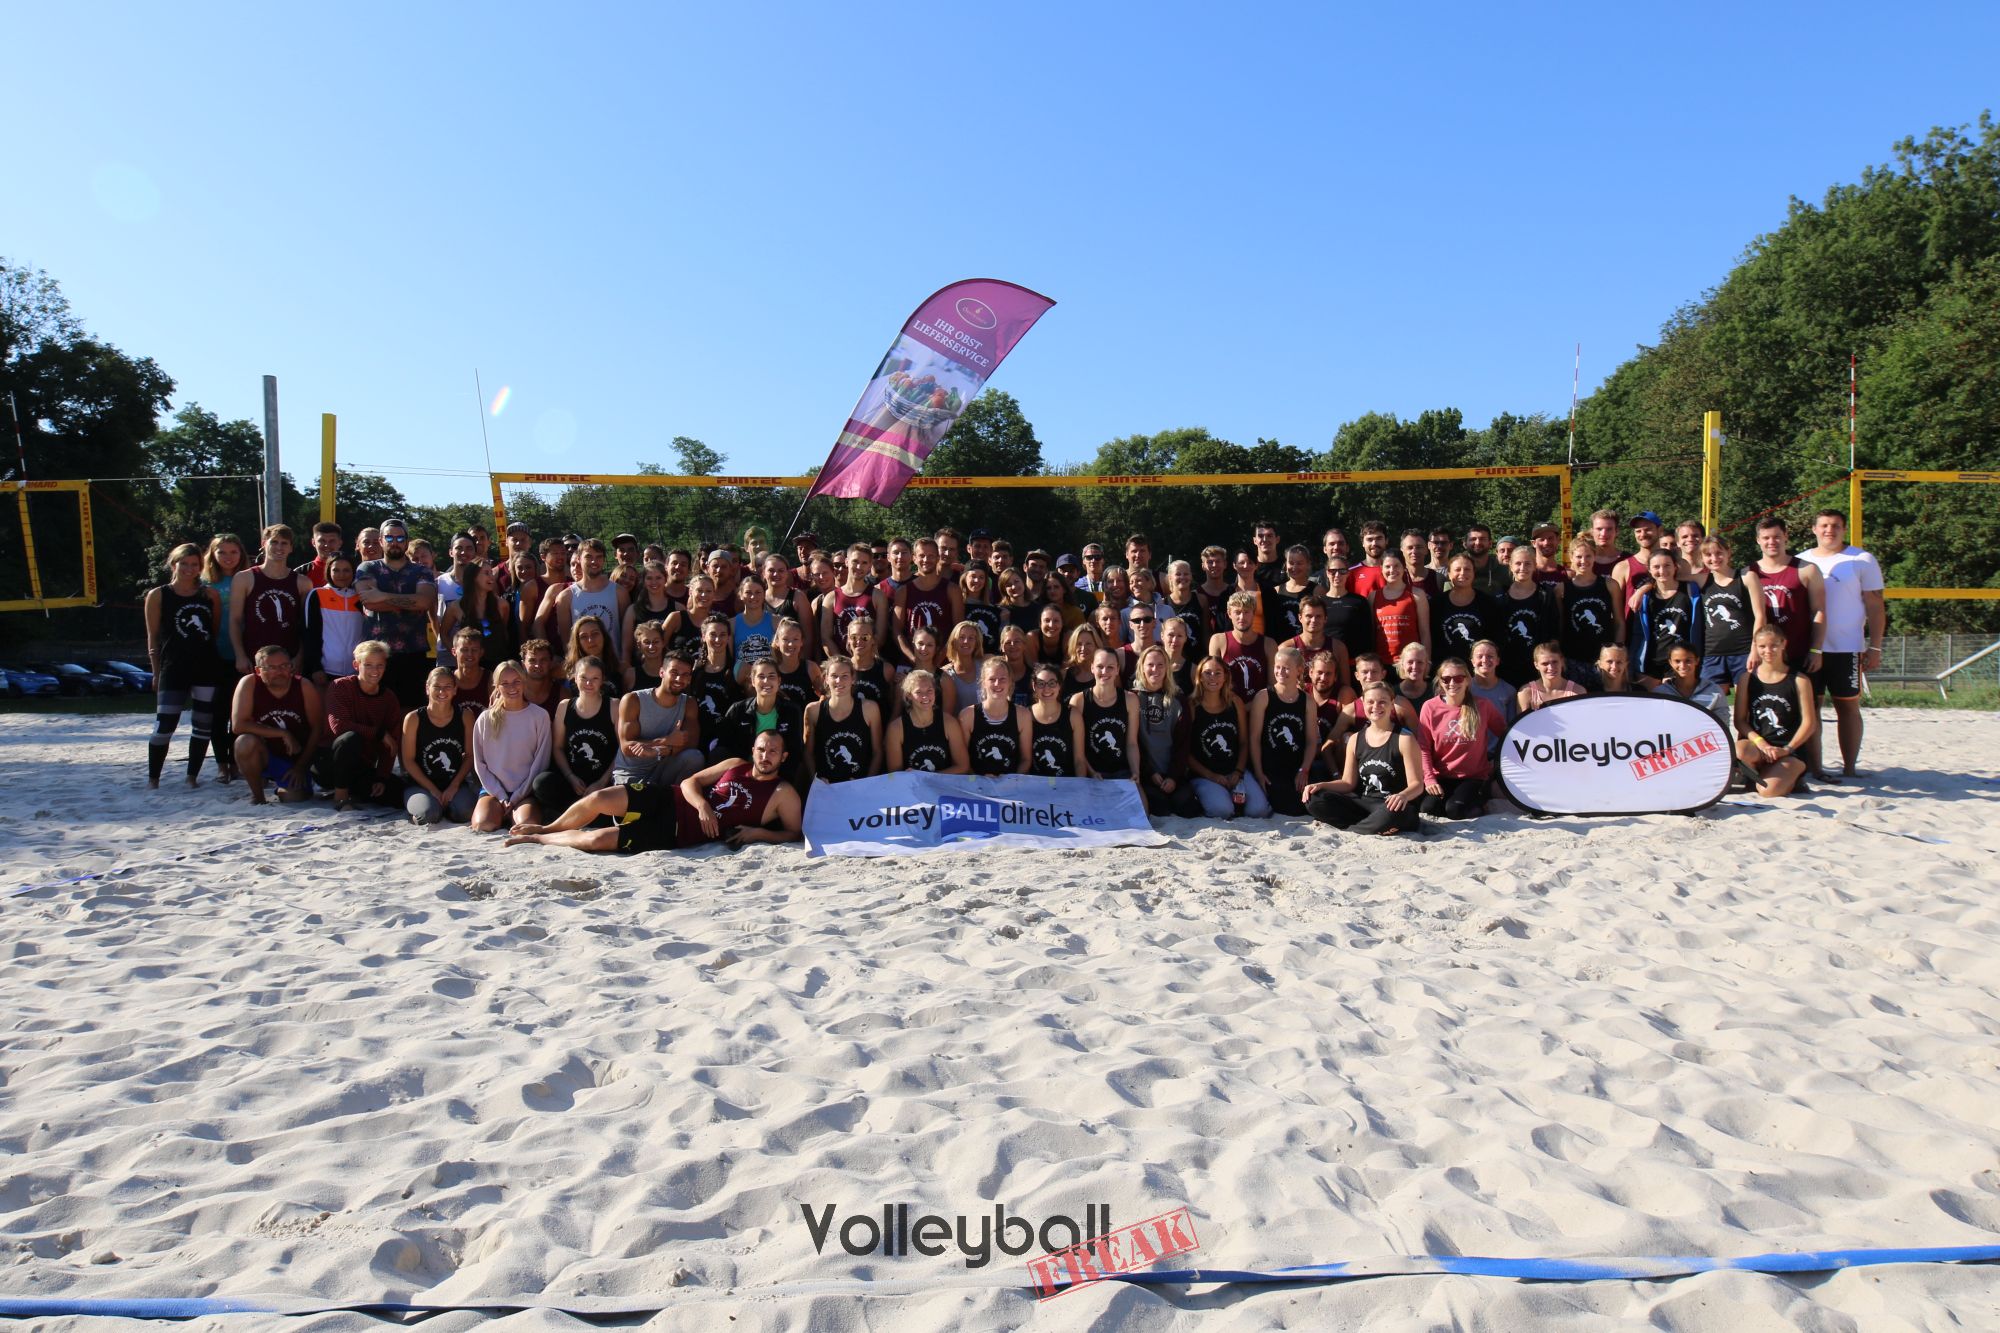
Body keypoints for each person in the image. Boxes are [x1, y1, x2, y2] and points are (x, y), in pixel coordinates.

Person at [504, 728, 803, 854]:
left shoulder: (782, 792)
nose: (766, 756)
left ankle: (539, 838)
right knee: (598, 799)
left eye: (774, 752)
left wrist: (758, 834)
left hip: (674, 833)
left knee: (595, 840)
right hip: (668, 797)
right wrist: (702, 805)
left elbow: (794, 834)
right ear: (753, 750)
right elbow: (690, 782)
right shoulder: (735, 764)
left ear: (784, 757)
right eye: (762, 749)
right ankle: (548, 826)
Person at [1797, 509, 1885, 780]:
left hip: (1847, 646)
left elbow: (1875, 605)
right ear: (1813, 529)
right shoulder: (1801, 560)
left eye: (1835, 526)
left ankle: (1849, 767)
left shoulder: (1862, 559)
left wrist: (1875, 646)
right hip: (1811, 646)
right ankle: (1815, 766)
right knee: (1811, 708)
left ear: (1844, 529)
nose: (1829, 530)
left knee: (1847, 706)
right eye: (1823, 525)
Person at [144, 543, 222, 788]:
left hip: (205, 667)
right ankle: (153, 778)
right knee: (164, 725)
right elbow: (153, 636)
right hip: (173, 667)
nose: (190, 569)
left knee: (202, 725)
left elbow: (215, 630)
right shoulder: (159, 594)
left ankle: (191, 777)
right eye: (184, 563)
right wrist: (155, 671)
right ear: (173, 564)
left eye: (195, 564)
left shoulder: (209, 595)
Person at [1304, 682, 1425, 835]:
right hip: (1365, 803)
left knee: (1393, 814)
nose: (1376, 706)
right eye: (1370, 702)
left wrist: (1403, 795)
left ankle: (1357, 829)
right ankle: (1373, 826)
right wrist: (1321, 785)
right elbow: (1348, 783)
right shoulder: (1355, 739)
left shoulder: (1404, 738)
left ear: (1392, 703)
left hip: (1394, 806)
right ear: (1362, 702)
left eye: (1382, 702)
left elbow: (1417, 784)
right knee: (1313, 799)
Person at [353, 518, 437, 710]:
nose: (394, 541)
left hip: (413, 652)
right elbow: (369, 602)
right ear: (381, 540)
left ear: (407, 542)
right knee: (375, 711)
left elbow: (424, 601)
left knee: (411, 712)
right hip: (376, 655)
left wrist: (381, 595)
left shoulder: (421, 570)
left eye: (400, 538)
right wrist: (410, 601)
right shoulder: (368, 568)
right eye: (389, 537)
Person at [315, 640, 407, 811]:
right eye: (369, 665)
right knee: (350, 738)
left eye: (380, 665)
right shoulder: (340, 686)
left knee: (396, 792)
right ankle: (340, 795)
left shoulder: (389, 698)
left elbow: (391, 743)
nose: (375, 670)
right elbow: (339, 726)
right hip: (329, 762)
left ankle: (356, 790)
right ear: (356, 665)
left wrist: (382, 777)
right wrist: (378, 733)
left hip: (361, 766)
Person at [528, 655, 622, 817]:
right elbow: (557, 747)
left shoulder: (613, 705)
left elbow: (622, 748)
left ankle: (584, 813)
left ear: (602, 680)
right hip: (573, 780)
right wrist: (570, 777)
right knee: (542, 783)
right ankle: (578, 812)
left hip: (603, 780)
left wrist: (601, 782)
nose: (588, 683)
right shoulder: (565, 706)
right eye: (583, 678)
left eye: (594, 678)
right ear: (574, 678)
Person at [232, 645, 322, 805]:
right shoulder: (249, 683)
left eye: (284, 666)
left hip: (296, 757)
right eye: (272, 667)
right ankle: (258, 796)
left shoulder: (304, 686)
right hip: (265, 752)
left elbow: (317, 728)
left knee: (292, 798)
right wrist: (283, 733)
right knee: (244, 742)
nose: (279, 672)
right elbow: (238, 725)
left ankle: (287, 783)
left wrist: (301, 767)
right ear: (258, 670)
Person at [1735, 626, 1819, 798]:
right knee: (1738, 751)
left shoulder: (1799, 680)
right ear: (1756, 647)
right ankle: (1755, 775)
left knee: (1769, 791)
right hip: (1759, 746)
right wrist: (1761, 743)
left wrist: (1787, 749)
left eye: (1773, 645)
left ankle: (1793, 778)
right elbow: (1740, 721)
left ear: (1783, 644)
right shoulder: (1747, 679)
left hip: (1788, 749)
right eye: (1762, 646)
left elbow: (1809, 723)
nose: (1768, 651)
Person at [1418, 658, 1504, 820]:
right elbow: (1423, 747)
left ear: (1467, 680)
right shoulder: (1430, 707)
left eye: (1458, 678)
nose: (1452, 683)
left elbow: (1506, 734)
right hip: (1442, 776)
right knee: (1428, 809)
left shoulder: (1483, 705)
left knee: (1455, 810)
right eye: (1446, 679)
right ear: (1440, 681)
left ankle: (1480, 801)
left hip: (1473, 777)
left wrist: (1498, 763)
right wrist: (1429, 779)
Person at [471, 660, 551, 833]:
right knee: (484, 825)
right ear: (497, 686)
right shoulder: (485, 719)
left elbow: (541, 762)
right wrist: (500, 795)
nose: (511, 687)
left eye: (516, 681)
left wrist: (517, 796)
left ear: (523, 681)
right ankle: (499, 811)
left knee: (526, 826)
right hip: (493, 790)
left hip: (524, 790)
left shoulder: (539, 716)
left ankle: (514, 811)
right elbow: (480, 764)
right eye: (505, 683)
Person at [1187, 654, 1271, 819]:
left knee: (1258, 811)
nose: (1213, 677)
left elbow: (1244, 742)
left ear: (1226, 676)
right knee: (1222, 811)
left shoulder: (1235, 702)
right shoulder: (1192, 706)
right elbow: (1185, 750)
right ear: (1200, 677)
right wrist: (1212, 776)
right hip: (1206, 774)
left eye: (1218, 672)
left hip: (1235, 771)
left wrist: (1238, 772)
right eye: (1207, 673)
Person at [610, 651, 705, 788]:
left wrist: (658, 751)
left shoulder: (689, 704)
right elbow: (627, 747)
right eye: (674, 673)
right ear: (662, 672)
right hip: (630, 774)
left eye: (685, 675)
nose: (679, 679)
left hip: (662, 770)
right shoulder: (633, 700)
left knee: (694, 757)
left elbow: (691, 743)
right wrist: (666, 741)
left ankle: (676, 802)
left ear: (690, 679)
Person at [230, 523, 313, 679]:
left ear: (291, 548)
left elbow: (305, 625)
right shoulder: (244, 578)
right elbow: (235, 620)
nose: (279, 547)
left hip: (289, 658)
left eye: (284, 543)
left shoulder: (303, 582)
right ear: (264, 544)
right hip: (253, 657)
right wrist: (240, 655)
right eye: (274, 542)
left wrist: (300, 657)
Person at [402, 667, 478, 825]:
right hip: (421, 784)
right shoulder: (413, 718)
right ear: (427, 688)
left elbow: (470, 756)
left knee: (465, 813)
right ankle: (428, 805)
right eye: (436, 686)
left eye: (448, 687)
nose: (442, 691)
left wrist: (454, 785)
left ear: (455, 690)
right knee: (428, 816)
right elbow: (408, 761)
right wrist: (433, 790)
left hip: (454, 783)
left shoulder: (465, 716)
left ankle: (448, 805)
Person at [1751, 516, 1826, 673]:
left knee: (1809, 697)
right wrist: (1753, 650)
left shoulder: (1807, 569)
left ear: (1785, 536)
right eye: (1766, 538)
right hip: (1764, 655)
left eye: (1777, 536)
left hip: (1799, 652)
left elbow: (1819, 611)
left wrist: (1816, 650)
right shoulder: (1748, 573)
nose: (1771, 542)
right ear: (1758, 540)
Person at [1250, 644, 1317, 816]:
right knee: (1291, 808)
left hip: (1296, 767)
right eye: (1277, 667)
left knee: (1315, 801)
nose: (1280, 672)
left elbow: (1311, 740)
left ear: (1299, 670)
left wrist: (1304, 770)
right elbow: (1254, 739)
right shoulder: (1264, 696)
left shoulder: (1307, 701)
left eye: (1286, 668)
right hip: (1271, 769)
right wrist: (1259, 774)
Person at [1132, 644, 1199, 817]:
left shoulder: (1178, 699)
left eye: (1160, 665)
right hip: (1147, 774)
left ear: (1167, 668)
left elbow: (1183, 743)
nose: (1155, 669)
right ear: (1142, 667)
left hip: (1172, 773)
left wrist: (1173, 777)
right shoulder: (1133, 698)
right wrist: (1150, 772)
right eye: (1150, 665)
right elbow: (1133, 742)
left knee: (1187, 807)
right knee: (1160, 808)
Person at [713, 659, 805, 782]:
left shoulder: (792, 711)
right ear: (752, 681)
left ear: (779, 681)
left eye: (771, 676)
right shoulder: (737, 710)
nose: (766, 681)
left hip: (777, 776)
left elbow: (794, 752)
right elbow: (724, 749)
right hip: (740, 774)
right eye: (761, 676)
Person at [203, 532, 248, 781]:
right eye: (222, 552)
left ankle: (236, 762)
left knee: (239, 715)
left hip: (242, 653)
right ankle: (222, 764)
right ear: (213, 555)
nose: (228, 557)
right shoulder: (205, 583)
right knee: (217, 714)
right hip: (215, 654)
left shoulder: (249, 579)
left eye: (233, 552)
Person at [1696, 536, 1764, 692]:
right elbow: (1668, 575)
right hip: (1712, 653)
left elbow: (1760, 616)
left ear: (1728, 552)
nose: (1714, 558)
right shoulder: (1701, 580)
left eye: (1719, 553)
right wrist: (1642, 589)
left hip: (1744, 651)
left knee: (1746, 703)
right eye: (1708, 555)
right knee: (1711, 706)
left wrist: (1755, 649)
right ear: (1702, 557)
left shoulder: (1746, 577)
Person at [548, 539, 628, 669]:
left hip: (614, 666)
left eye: (598, 557)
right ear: (579, 559)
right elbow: (567, 642)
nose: (594, 561)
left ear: (603, 559)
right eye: (588, 557)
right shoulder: (566, 597)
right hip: (583, 670)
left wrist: (624, 663)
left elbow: (626, 635)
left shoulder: (619, 592)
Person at [804, 655, 884, 784]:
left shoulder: (870, 709)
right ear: (826, 679)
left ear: (853, 679)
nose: (839, 681)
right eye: (834, 676)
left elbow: (878, 752)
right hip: (826, 785)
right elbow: (808, 753)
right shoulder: (813, 711)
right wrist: (817, 781)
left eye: (845, 676)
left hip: (860, 784)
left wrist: (866, 783)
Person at [1628, 550, 1700, 687]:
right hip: (1651, 661)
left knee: (1673, 703)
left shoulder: (1690, 591)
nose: (1662, 571)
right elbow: (1638, 633)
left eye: (1667, 565)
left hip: (1680, 661)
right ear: (1649, 569)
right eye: (1656, 567)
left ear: (1675, 567)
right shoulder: (1645, 598)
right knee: (1651, 705)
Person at [1560, 534, 1622, 692]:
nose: (1583, 561)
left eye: (1588, 556)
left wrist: (1619, 650)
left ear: (1595, 556)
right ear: (1571, 557)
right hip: (1574, 658)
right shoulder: (1561, 589)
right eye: (1579, 556)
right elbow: (1560, 624)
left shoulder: (1609, 585)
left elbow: (1619, 621)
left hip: (1604, 659)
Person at [1496, 544, 1561, 687]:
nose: (1522, 568)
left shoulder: (1545, 594)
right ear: (1511, 566)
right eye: (1518, 563)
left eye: (1527, 563)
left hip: (1538, 666)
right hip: (1508, 665)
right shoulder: (1500, 595)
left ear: (1535, 565)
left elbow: (1554, 629)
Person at [892, 536, 964, 665]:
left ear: (938, 558)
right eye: (922, 555)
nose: (926, 560)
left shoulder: (952, 590)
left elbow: (957, 630)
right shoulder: (903, 591)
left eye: (931, 556)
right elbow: (897, 631)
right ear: (914, 558)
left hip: (943, 663)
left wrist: (937, 660)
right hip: (911, 664)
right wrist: (913, 658)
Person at [300, 554, 366, 689]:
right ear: (328, 571)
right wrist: (315, 667)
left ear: (353, 572)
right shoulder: (317, 594)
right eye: (336, 570)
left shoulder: (362, 597)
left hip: (357, 670)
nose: (341, 575)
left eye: (346, 570)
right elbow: (309, 634)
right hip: (326, 671)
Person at [1075, 648, 1141, 784]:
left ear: (1117, 670)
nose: (1104, 672)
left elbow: (1132, 743)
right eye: (1100, 667)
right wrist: (1091, 772)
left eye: (1110, 667)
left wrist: (1135, 772)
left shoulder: (1130, 699)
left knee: (1142, 804)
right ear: (1092, 667)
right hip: (1092, 773)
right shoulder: (1079, 701)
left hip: (1123, 772)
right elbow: (1077, 751)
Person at [887, 669, 969, 774]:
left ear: (935, 691)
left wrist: (930, 779)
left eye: (929, 690)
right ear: (908, 695)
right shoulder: (896, 729)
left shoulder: (949, 723)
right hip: (913, 787)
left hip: (943, 785)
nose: (925, 696)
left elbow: (962, 766)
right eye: (918, 692)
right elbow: (895, 774)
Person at [961, 655, 1031, 776]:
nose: (997, 683)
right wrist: (980, 779)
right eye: (992, 679)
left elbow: (1026, 760)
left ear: (1010, 682)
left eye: (1003, 679)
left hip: (1011, 787)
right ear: (983, 683)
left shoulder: (1023, 715)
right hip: (976, 786)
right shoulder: (967, 715)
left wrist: (1009, 780)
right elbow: (962, 761)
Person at [821, 543, 890, 656]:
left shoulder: (878, 596)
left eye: (864, 563)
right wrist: (842, 664)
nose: (859, 567)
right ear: (847, 562)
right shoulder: (831, 597)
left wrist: (861, 661)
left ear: (869, 566)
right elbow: (826, 638)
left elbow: (880, 637)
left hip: (868, 664)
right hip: (841, 667)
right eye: (855, 561)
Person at [1433, 553, 1500, 664]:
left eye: (1467, 569)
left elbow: (1495, 638)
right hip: (1447, 669)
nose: (1462, 573)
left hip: (1479, 667)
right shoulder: (1437, 604)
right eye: (1457, 570)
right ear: (1449, 574)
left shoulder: (1487, 603)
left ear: (1474, 573)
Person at [1655, 643, 1732, 737]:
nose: (1682, 666)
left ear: (1697, 660)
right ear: (1670, 662)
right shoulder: (1660, 693)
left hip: (1706, 744)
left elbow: (1722, 726)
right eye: (1677, 661)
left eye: (1688, 661)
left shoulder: (1714, 691)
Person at [1368, 552, 1430, 668]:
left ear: (1404, 567)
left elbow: (1424, 632)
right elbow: (1371, 633)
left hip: (1410, 664)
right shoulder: (1373, 596)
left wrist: (1427, 662)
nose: (1392, 570)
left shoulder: (1417, 594)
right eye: (1387, 566)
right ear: (1381, 569)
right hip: (1381, 664)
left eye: (1396, 565)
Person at [1210, 591, 1272, 700]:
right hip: (1227, 706)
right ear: (1229, 614)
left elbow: (1273, 686)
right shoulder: (1218, 641)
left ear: (1254, 613)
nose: (1242, 617)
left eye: (1246, 612)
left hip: (1260, 708)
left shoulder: (1269, 644)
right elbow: (1213, 681)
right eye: (1237, 612)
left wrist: (1255, 707)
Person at [1024, 663, 1077, 777]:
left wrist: (1079, 787)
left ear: (1059, 685)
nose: (1046, 688)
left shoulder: (1073, 715)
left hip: (1066, 783)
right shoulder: (1025, 715)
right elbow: (1024, 760)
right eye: (1041, 684)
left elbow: (1079, 760)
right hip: (1035, 783)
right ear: (1034, 686)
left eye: (1052, 683)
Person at [1261, 545, 1319, 641]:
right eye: (1291, 563)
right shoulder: (1276, 591)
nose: (1294, 567)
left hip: (1307, 645)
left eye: (1299, 563)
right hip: (1282, 648)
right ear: (1286, 564)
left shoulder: (1317, 590)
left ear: (1308, 564)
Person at [769, 617, 824, 712]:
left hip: (803, 723)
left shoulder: (810, 668)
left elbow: (824, 694)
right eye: (785, 639)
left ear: (801, 642)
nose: (791, 644)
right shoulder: (770, 669)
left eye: (795, 639)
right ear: (777, 642)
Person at [730, 570, 777, 677]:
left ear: (764, 594)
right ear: (740, 595)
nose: (753, 597)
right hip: (742, 680)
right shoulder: (732, 624)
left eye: (758, 592)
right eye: (748, 592)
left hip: (769, 679)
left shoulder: (777, 622)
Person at [564, 615, 622, 698]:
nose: (590, 640)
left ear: (604, 636)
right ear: (577, 642)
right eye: (584, 636)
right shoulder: (569, 673)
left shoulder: (620, 668)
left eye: (595, 634)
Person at [1518, 642, 1586, 713]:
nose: (1550, 667)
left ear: (1562, 662)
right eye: (1545, 664)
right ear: (1536, 665)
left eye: (1554, 662)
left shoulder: (1578, 691)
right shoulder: (1526, 693)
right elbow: (1522, 723)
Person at [1466, 640, 1519, 728]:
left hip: (1500, 741)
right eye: (1479, 656)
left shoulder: (1508, 691)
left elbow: (1512, 727)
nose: (1484, 660)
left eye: (1490, 656)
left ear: (1497, 661)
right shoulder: (1464, 689)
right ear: (1472, 661)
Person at [295, 521, 344, 587]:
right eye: (322, 541)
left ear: (340, 543)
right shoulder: (301, 572)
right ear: (313, 542)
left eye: (332, 541)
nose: (327, 545)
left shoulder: (350, 572)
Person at [627, 619, 669, 693]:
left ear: (663, 642)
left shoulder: (673, 673)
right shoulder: (630, 675)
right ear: (639, 645)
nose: (651, 646)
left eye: (656, 642)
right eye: (647, 642)